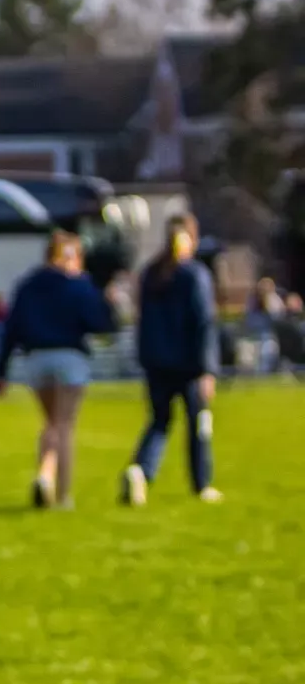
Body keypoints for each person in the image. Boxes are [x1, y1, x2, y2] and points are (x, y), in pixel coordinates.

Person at [0, 231, 116, 509]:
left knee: (50, 423)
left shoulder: (27, 285)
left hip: (36, 358)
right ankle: (63, 496)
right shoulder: (77, 286)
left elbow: (10, 329)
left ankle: (44, 474)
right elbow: (100, 323)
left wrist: (0, 372)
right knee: (64, 425)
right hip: (69, 356)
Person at [122, 213, 222, 505]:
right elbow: (204, 322)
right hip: (190, 365)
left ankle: (141, 469)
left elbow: (142, 319)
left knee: (160, 421)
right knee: (198, 424)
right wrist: (208, 369)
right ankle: (202, 483)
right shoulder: (195, 275)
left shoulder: (151, 274)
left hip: (157, 363)